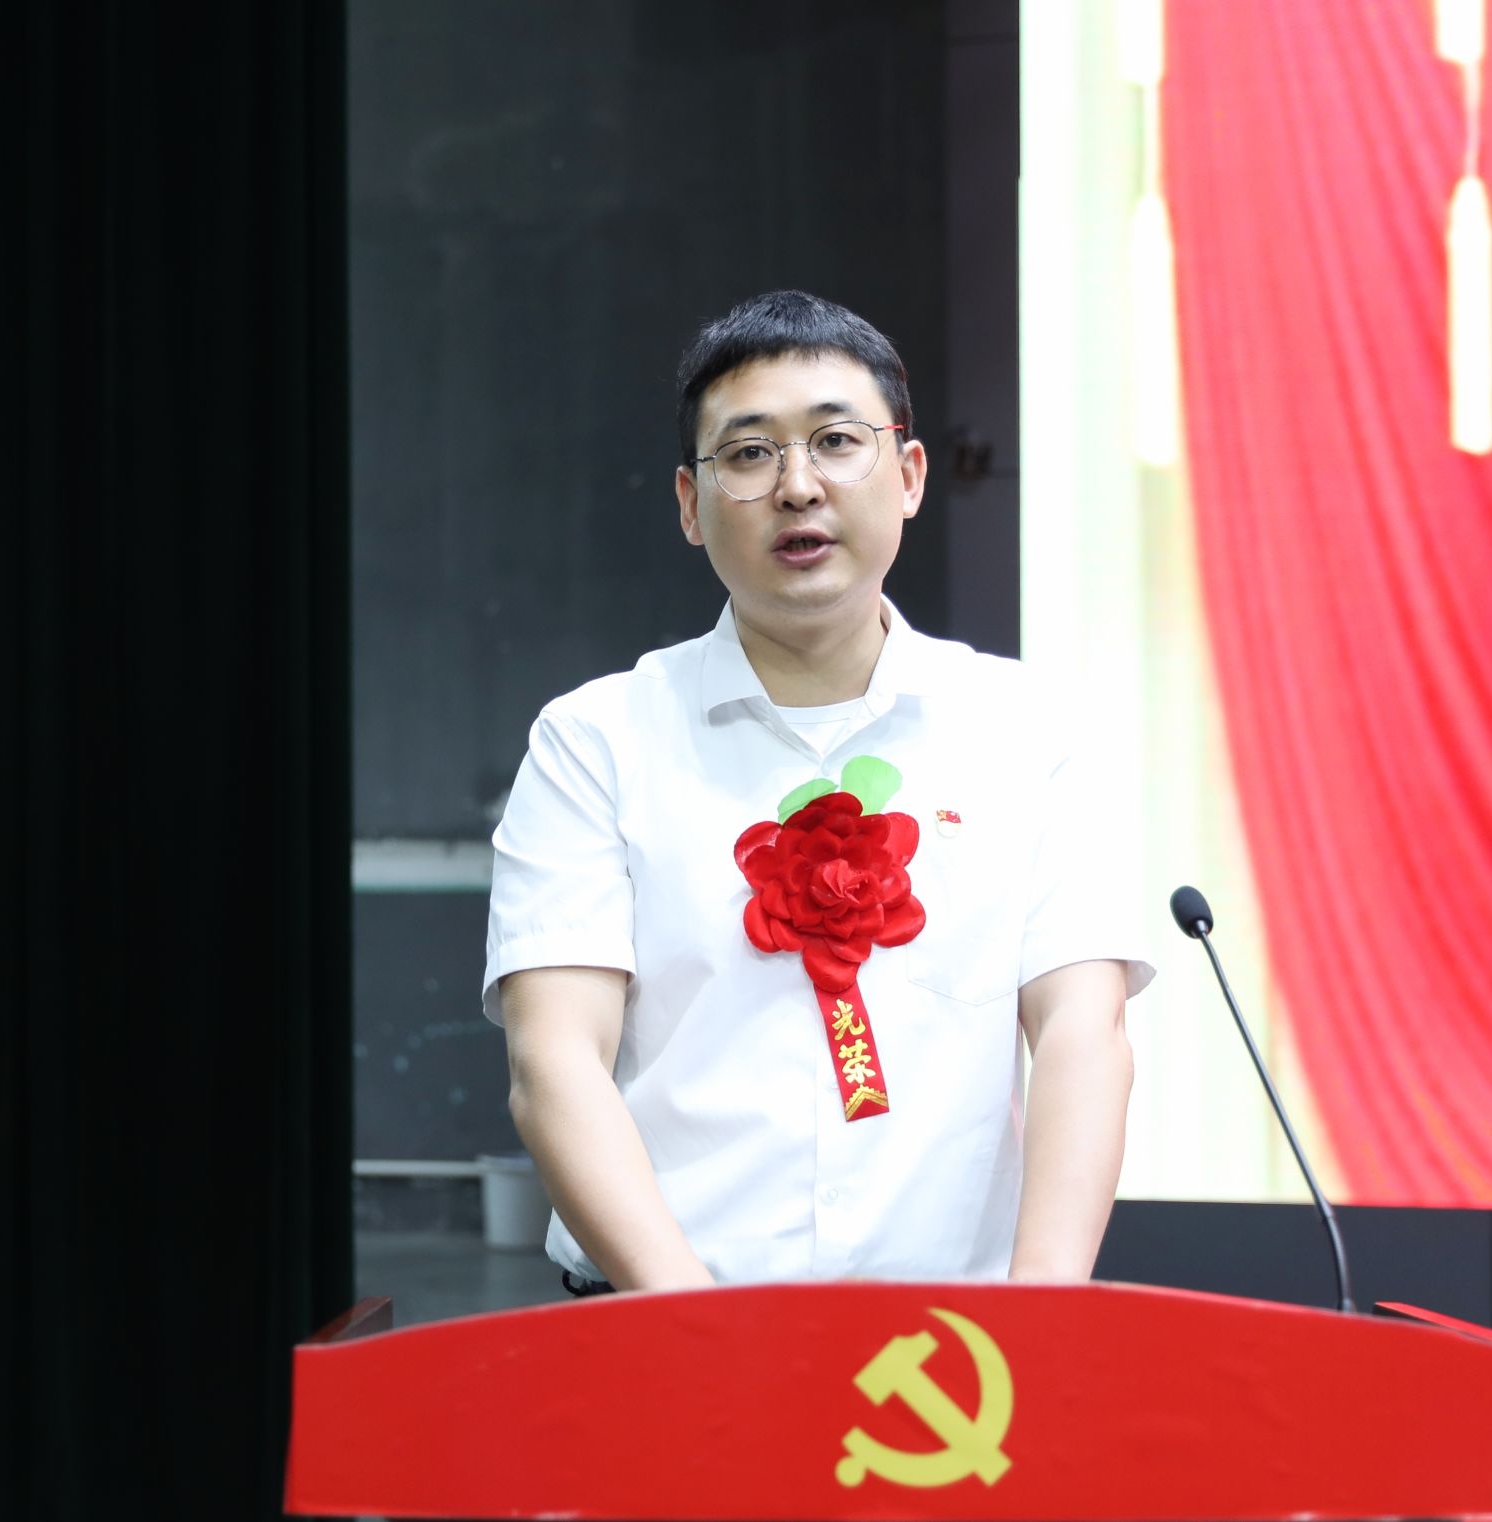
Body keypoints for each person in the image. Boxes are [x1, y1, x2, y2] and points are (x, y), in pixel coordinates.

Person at [483, 290, 1151, 1292]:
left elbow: (1081, 1031)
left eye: (837, 442)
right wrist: (697, 1327)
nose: (798, 486)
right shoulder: (596, 742)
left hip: (951, 1345)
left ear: (909, 475)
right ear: (688, 504)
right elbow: (554, 1061)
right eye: (749, 454)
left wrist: (1038, 1320)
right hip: (660, 1327)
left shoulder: (1028, 732)